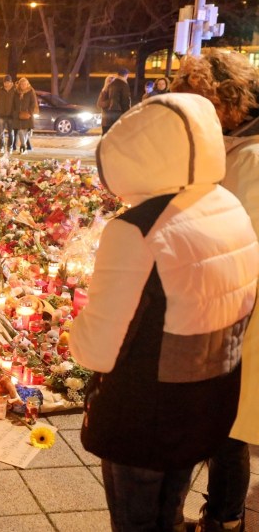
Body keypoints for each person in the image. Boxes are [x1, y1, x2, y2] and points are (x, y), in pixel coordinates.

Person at [69, 93, 259, 532]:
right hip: (208, 397)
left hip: (144, 409)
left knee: (134, 516)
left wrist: (78, 327)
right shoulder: (227, 206)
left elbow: (97, 350)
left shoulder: (138, 229)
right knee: (171, 505)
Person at [171, 49, 259, 532]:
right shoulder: (232, 148)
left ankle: (224, 519)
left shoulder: (250, 158)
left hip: (235, 314)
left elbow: (237, 245)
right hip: (219, 309)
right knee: (217, 420)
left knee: (224, 425)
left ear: (222, 103)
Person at [99, 67, 131, 133]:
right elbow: (125, 101)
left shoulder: (111, 86)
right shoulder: (123, 84)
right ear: (126, 75)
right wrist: (127, 114)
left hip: (109, 117)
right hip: (113, 116)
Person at [12, 77, 38, 154]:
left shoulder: (30, 92)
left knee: (25, 132)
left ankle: (23, 146)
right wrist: (15, 112)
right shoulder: (16, 92)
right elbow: (13, 103)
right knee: (20, 131)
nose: (23, 85)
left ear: (27, 84)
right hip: (18, 115)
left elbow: (33, 103)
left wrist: (29, 112)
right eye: (21, 84)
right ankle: (23, 146)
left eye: (24, 84)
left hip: (27, 115)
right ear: (19, 84)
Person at [0, 75, 16, 154]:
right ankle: (1, 147)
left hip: (11, 115)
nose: (6, 84)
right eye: (5, 82)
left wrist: (14, 111)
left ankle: (9, 148)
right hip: (1, 115)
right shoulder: (0, 91)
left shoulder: (15, 91)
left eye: (8, 82)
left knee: (11, 133)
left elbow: (17, 102)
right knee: (0, 132)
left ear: (11, 82)